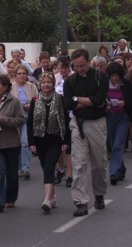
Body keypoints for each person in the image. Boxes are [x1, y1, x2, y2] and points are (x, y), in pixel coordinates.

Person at [63, 49, 109, 217]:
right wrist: (87, 101)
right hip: (78, 124)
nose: (79, 69)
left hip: (97, 123)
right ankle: (80, 201)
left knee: (99, 163)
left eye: (82, 66)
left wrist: (77, 99)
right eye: (76, 67)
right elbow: (68, 104)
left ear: (89, 61)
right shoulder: (70, 81)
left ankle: (99, 194)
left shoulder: (101, 77)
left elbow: (99, 101)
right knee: (78, 163)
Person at [27, 72, 67, 212]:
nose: (46, 85)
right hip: (40, 140)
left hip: (55, 139)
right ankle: (53, 196)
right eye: (43, 82)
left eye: (49, 82)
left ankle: (47, 199)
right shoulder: (35, 100)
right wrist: (31, 142)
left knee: (50, 167)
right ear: (40, 84)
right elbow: (30, 123)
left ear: (53, 84)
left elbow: (65, 121)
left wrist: (65, 140)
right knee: (46, 169)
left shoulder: (60, 100)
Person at [0, 75, 24, 213]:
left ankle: (10, 198)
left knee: (11, 173)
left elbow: (20, 120)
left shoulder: (14, 101)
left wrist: (4, 119)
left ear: (5, 87)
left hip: (11, 142)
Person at [105, 63, 132, 185]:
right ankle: (121, 169)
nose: (115, 78)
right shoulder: (104, 84)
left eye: (117, 76)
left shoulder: (126, 84)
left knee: (118, 145)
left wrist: (125, 103)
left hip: (123, 118)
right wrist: (106, 104)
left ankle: (113, 173)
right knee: (113, 145)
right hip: (109, 117)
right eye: (112, 76)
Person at [11, 64, 38, 180]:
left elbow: (38, 101)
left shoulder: (32, 87)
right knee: (15, 144)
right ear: (15, 75)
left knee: (25, 143)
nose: (22, 76)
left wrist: (30, 106)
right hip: (15, 119)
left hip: (28, 118)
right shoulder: (11, 87)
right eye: (19, 74)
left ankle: (26, 168)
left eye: (24, 74)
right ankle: (17, 168)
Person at [54, 56, 74, 187]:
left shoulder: (74, 78)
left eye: (66, 67)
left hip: (71, 115)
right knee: (58, 146)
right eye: (61, 67)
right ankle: (60, 170)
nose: (63, 70)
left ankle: (70, 174)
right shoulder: (55, 78)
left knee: (69, 146)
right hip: (57, 115)